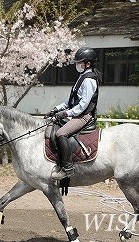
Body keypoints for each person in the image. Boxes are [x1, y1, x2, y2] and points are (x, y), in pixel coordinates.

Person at [45, 47, 102, 180]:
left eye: (79, 62)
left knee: (61, 133)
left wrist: (66, 114)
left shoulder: (89, 80)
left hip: (84, 116)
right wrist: (56, 109)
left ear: (88, 63)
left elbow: (83, 105)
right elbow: (71, 100)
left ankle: (67, 168)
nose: (77, 65)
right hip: (77, 113)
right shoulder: (81, 77)